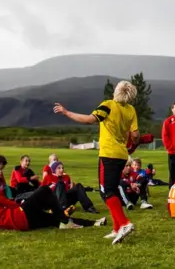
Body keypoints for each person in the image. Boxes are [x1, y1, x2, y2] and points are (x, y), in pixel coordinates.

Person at [53, 80, 138, 244]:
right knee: (109, 189)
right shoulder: (131, 110)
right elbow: (135, 135)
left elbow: (88, 119)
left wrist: (66, 112)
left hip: (108, 154)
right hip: (122, 155)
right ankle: (116, 228)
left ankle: (125, 223)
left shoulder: (108, 105)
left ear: (116, 91)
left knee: (108, 192)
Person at [0, 177, 105, 231]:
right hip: (21, 216)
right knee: (45, 189)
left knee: (55, 220)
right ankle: (64, 217)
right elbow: (15, 206)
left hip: (24, 225)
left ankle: (94, 223)